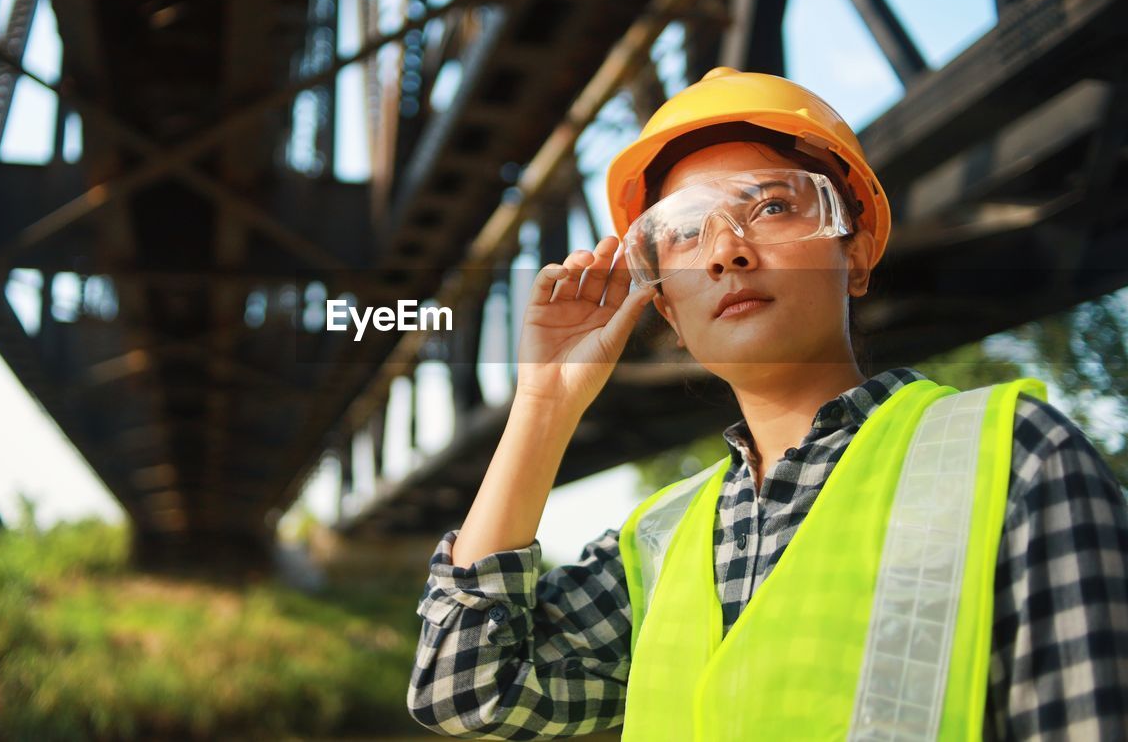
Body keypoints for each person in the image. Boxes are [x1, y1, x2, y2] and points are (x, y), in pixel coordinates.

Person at [406, 67, 1128, 739]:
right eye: (685, 232)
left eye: (773, 205)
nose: (726, 251)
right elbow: (462, 684)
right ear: (669, 313)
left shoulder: (1014, 461)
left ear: (857, 252)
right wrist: (544, 404)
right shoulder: (658, 545)